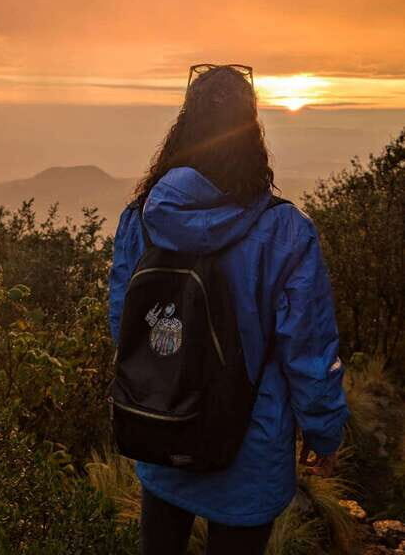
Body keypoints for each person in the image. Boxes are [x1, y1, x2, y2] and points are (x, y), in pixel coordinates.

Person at [108, 64, 349, 555]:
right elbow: (307, 348)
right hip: (248, 449)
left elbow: (124, 322)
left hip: (161, 425)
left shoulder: (142, 219)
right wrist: (324, 431)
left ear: (185, 127)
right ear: (252, 133)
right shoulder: (285, 233)